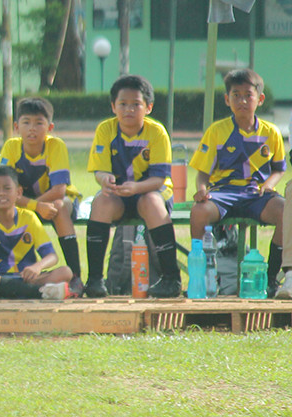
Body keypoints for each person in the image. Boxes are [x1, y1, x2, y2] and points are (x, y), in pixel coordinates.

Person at [189, 69, 286, 297]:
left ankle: (271, 277)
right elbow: (202, 173)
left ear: (260, 99)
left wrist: (269, 184)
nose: (242, 101)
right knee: (199, 212)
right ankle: (203, 277)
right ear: (227, 99)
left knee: (286, 212)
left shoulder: (271, 132)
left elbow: (279, 168)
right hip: (223, 193)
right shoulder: (216, 131)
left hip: (256, 194)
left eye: (248, 95)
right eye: (236, 95)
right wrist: (201, 190)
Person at [84, 75, 182, 298]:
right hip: (119, 194)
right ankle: (95, 280)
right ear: (113, 106)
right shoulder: (105, 130)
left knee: (151, 201)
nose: (129, 109)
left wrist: (136, 188)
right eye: (123, 104)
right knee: (101, 201)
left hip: (150, 191)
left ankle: (171, 278)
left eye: (136, 104)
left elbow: (159, 179)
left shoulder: (156, 132)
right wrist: (105, 179)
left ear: (148, 107)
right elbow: (99, 171)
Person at [0, 97, 84, 296]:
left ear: (50, 127)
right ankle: (6, 277)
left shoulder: (55, 146)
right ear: (16, 127)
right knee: (3, 208)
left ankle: (76, 277)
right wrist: (36, 207)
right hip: (28, 205)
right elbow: (5, 190)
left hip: (57, 202)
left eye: (39, 123)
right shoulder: (11, 147)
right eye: (26, 122)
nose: (32, 129)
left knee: (59, 206)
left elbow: (59, 190)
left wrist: (35, 205)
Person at [0, 166, 74, 300]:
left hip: (27, 277)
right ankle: (39, 292)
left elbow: (52, 256)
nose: (2, 193)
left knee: (66, 272)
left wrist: (37, 267)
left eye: (7, 188)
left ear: (18, 192)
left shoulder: (29, 218)